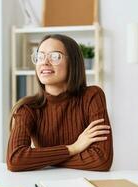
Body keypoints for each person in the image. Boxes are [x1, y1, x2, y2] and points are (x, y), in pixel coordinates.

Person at [6, 34, 113, 172]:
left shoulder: (92, 96)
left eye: (55, 56)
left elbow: (101, 159)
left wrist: (42, 160)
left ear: (72, 62)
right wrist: (73, 148)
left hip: (86, 185)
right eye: (40, 56)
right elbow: (15, 159)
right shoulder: (27, 108)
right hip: (45, 184)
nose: (45, 62)